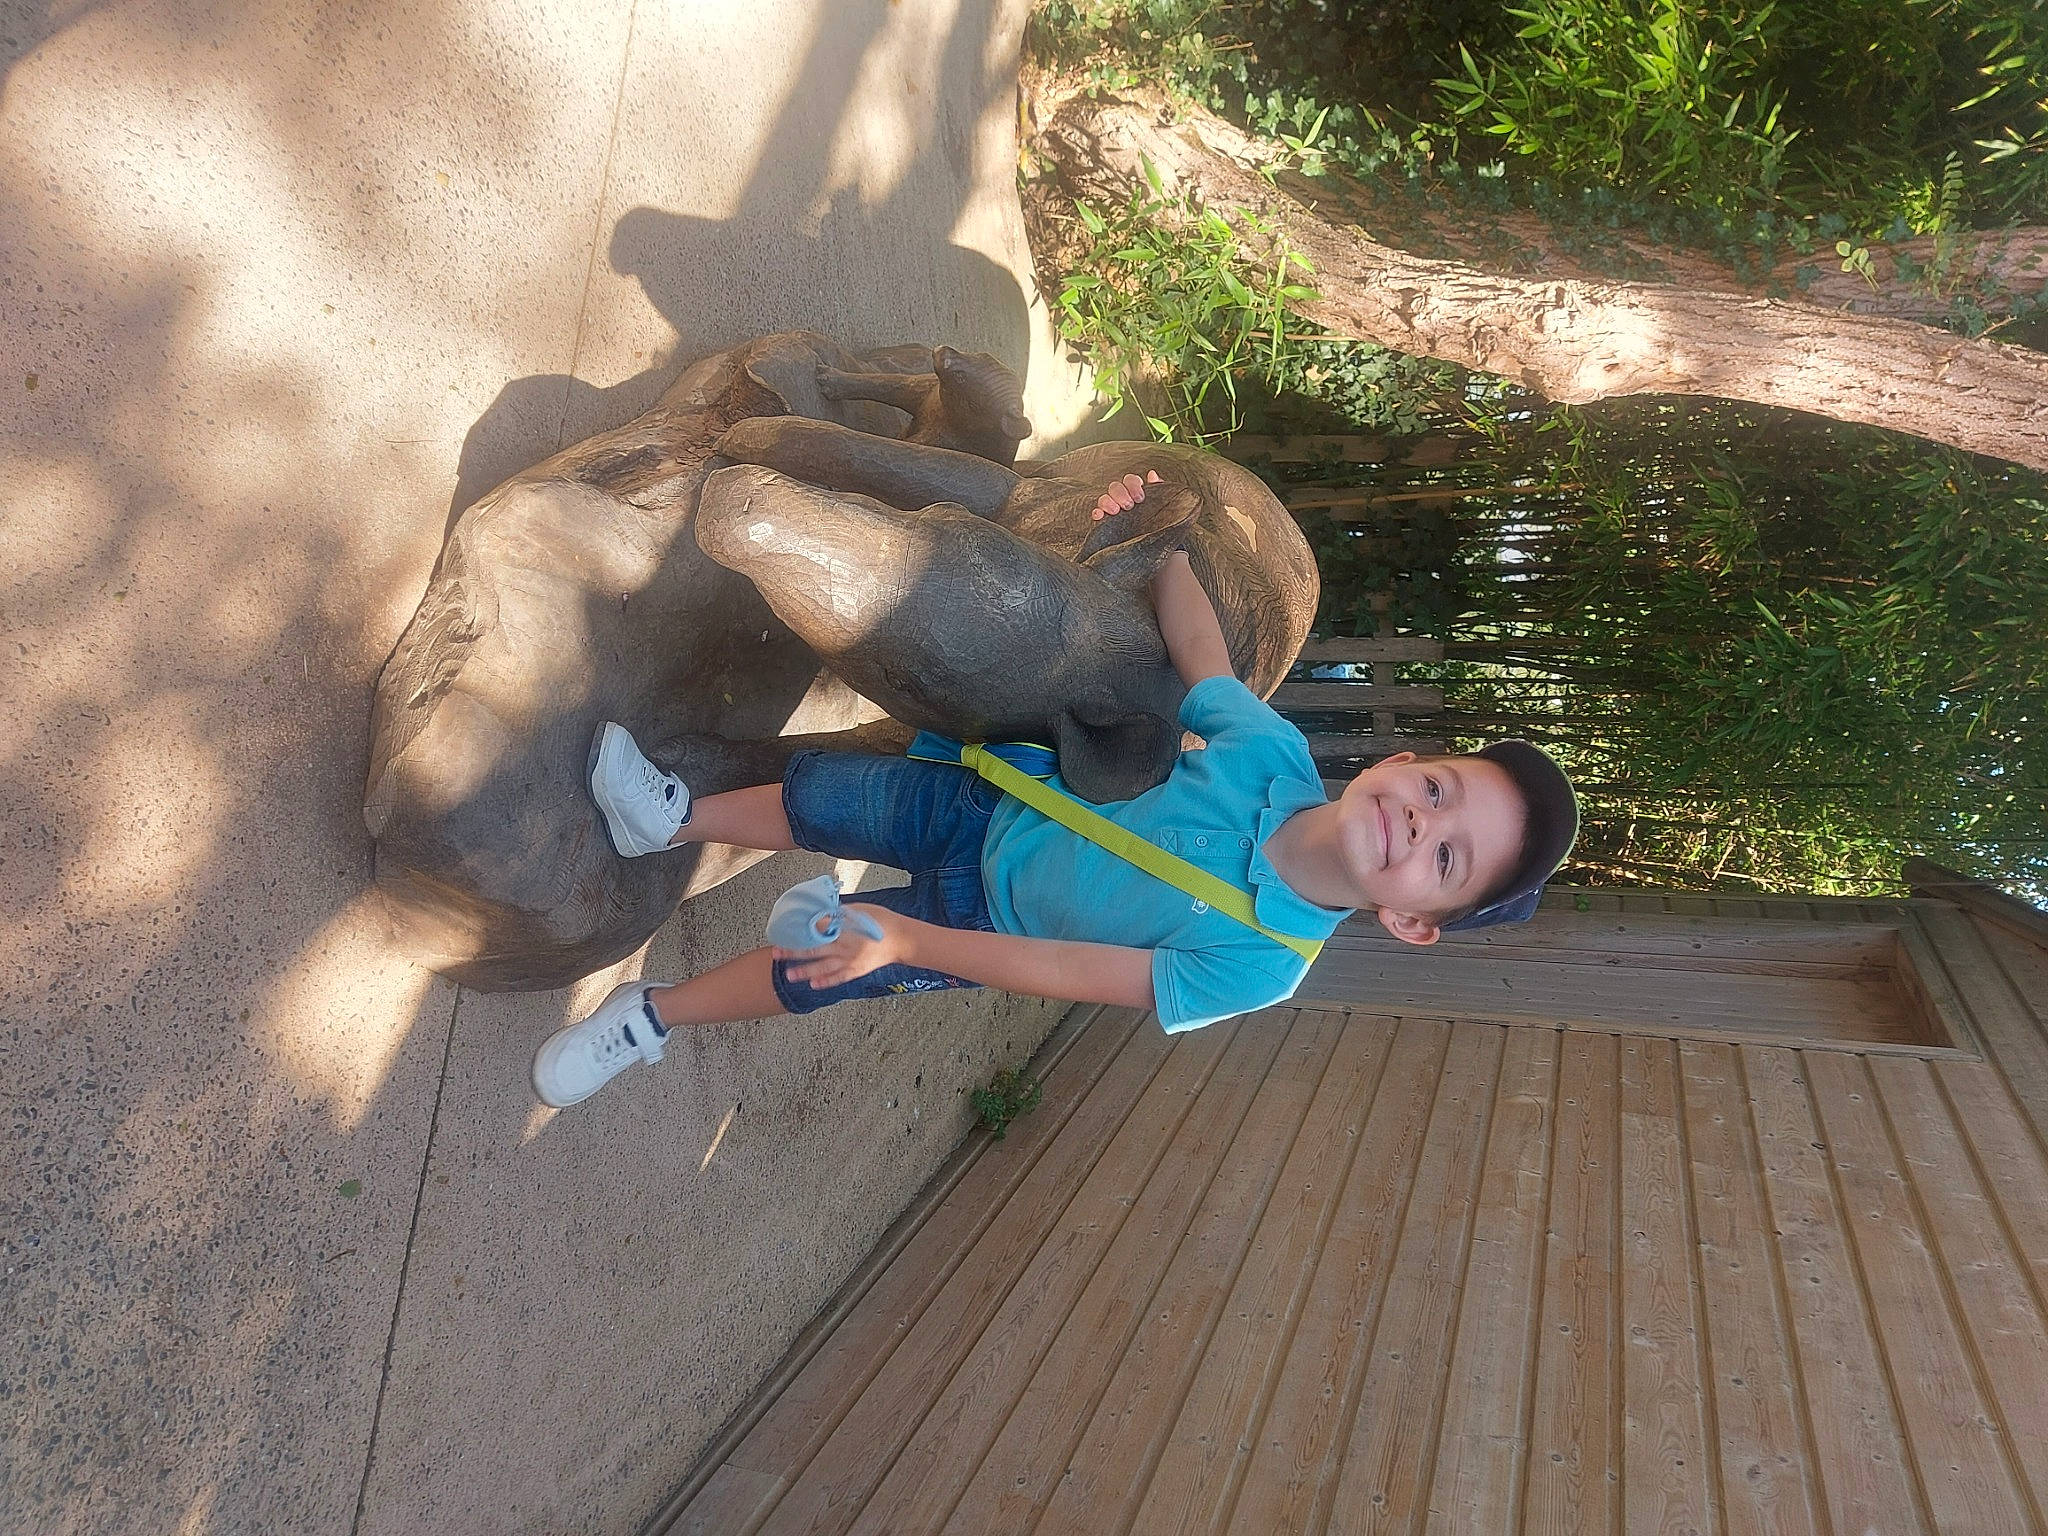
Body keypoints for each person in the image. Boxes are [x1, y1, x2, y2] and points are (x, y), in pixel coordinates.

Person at [531, 472, 1578, 1108]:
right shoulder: (1272, 759)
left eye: (1448, 857)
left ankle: (651, 1017)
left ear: (1412, 920)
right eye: (1440, 789)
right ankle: (668, 819)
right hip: (990, 801)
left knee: (815, 970)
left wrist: (909, 943)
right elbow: (1204, 659)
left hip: (979, 923)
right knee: (823, 797)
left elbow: (1069, 972)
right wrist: (1155, 540)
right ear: (1400, 766)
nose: (1420, 822)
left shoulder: (1260, 964)